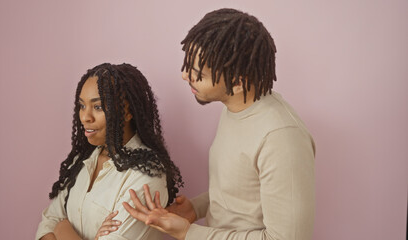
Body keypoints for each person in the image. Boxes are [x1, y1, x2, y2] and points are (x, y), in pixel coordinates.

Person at [112, 8, 315, 240]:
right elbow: (241, 192)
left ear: (238, 82)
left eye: (198, 73)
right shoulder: (235, 106)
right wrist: (196, 208)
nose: (185, 76)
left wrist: (189, 232)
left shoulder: (282, 137)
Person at [35, 62, 183, 240]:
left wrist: (62, 229)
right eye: (82, 106)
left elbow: (56, 224)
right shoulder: (82, 159)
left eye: (98, 107)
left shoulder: (146, 176)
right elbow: (48, 223)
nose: (85, 117)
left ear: (127, 112)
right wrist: (59, 225)